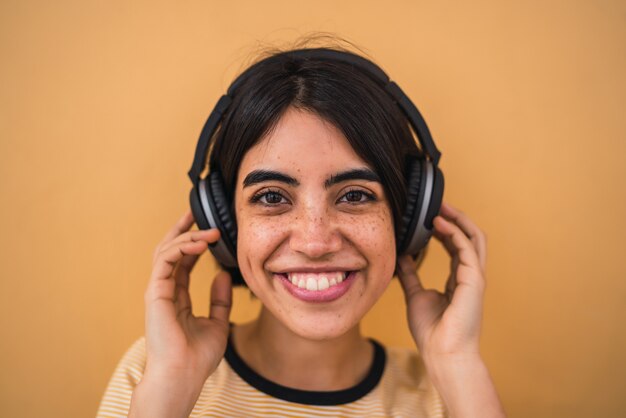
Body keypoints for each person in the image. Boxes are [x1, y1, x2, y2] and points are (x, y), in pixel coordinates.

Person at [97, 44, 506, 417]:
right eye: (272, 197)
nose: (314, 242)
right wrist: (170, 391)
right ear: (222, 222)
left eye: (355, 196)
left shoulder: (450, 397)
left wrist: (459, 365)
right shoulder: (153, 376)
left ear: (409, 219)